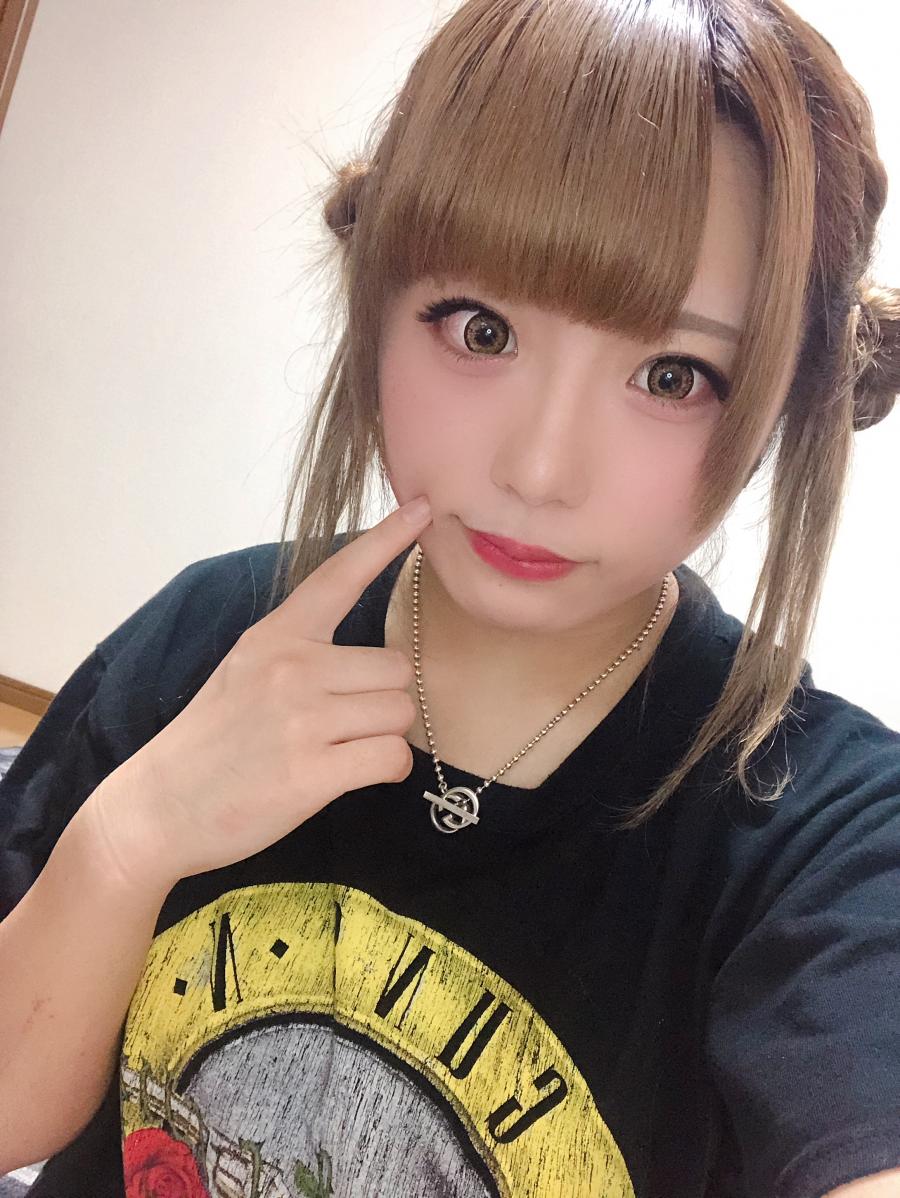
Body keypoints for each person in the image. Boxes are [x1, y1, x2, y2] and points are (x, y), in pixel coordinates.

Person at [0, 0, 898, 1195]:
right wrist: (130, 839)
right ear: (379, 299)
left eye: (672, 374)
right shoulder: (213, 631)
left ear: (782, 398)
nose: (540, 469)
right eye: (481, 329)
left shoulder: (820, 828)